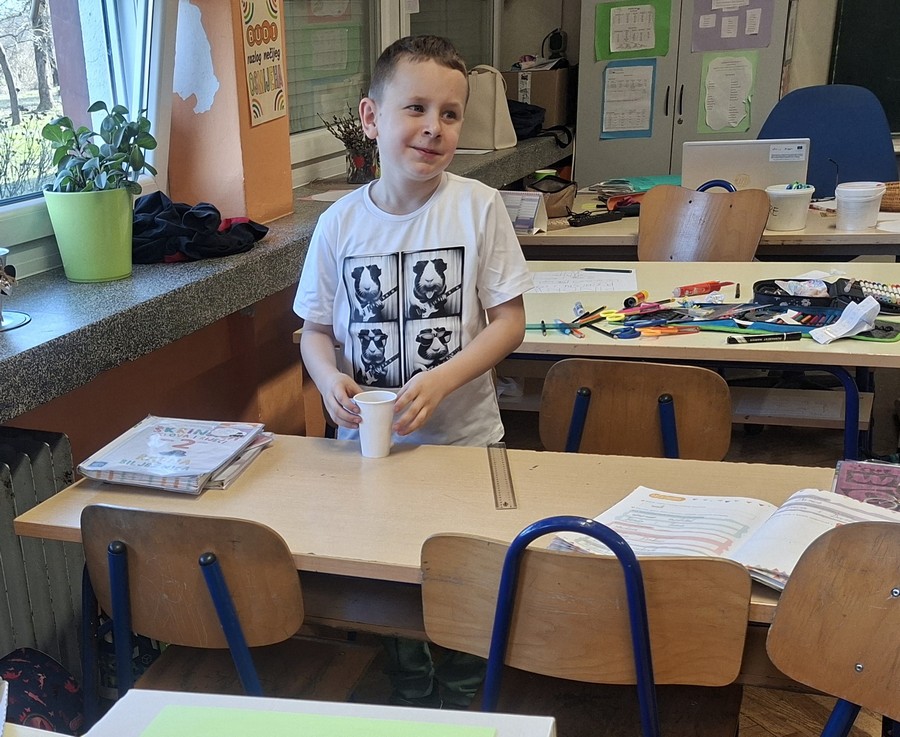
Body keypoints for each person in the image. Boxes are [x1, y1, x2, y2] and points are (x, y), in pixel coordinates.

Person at [293, 35, 532, 707]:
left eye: (450, 114)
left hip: (466, 445)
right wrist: (327, 378)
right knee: (395, 589)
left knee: (466, 586)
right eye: (416, 108)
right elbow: (314, 332)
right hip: (374, 453)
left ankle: (465, 700)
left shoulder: (478, 207)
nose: (434, 127)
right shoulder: (339, 224)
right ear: (371, 118)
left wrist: (445, 377)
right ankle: (412, 697)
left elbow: (509, 322)